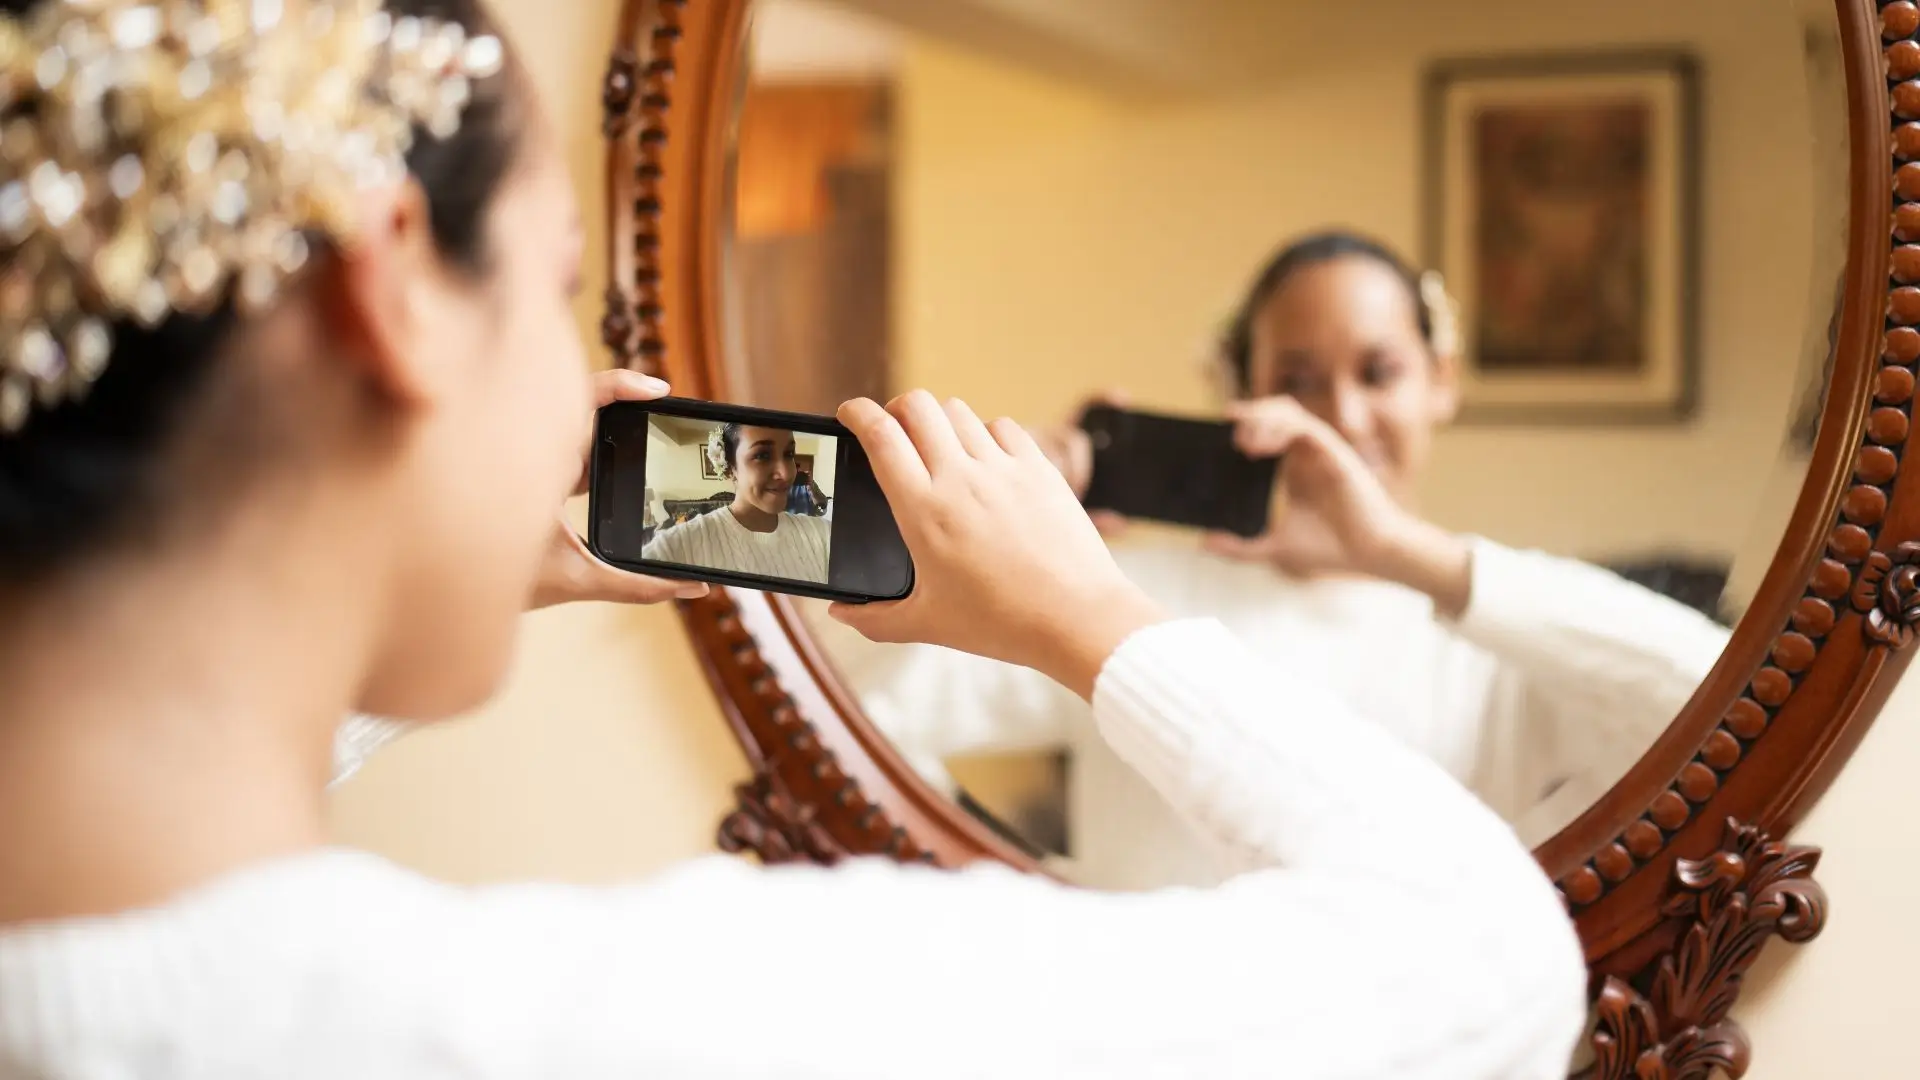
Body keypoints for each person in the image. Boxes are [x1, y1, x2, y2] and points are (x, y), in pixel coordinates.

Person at [0, 3, 1586, 1076]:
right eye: (557, 286)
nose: (588, 381)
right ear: (393, 293)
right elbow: (1490, 950)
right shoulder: (676, 1018)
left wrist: (402, 616)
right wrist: (1097, 618)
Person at [819, 230, 1731, 888]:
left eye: (1378, 372)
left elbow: (1722, 699)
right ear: (1242, 394)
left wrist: (1403, 554)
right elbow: (849, 718)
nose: (1342, 411)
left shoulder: (1496, 646)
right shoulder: (1121, 594)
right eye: (1297, 379)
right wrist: (1035, 890)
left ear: (1440, 382)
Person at [643, 423, 832, 583]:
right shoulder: (679, 547)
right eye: (762, 455)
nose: (785, 473)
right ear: (730, 468)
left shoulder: (823, 535)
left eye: (789, 454)